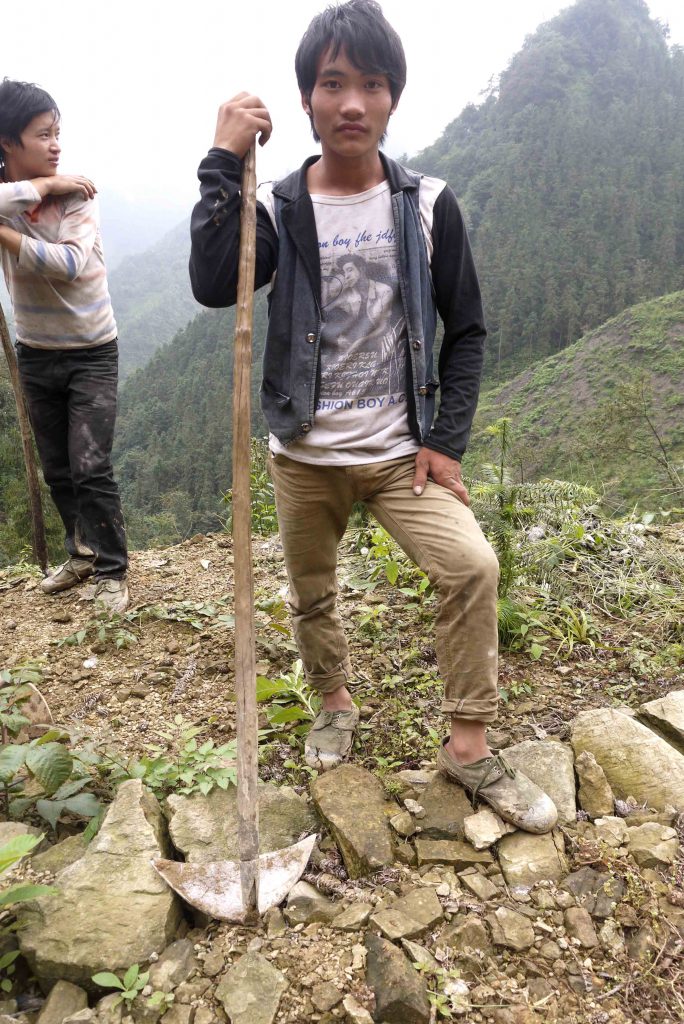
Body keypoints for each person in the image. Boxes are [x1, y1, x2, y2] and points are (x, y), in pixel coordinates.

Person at [189, 0, 557, 833]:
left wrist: (446, 443)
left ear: (393, 98)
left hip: (400, 454)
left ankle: (468, 747)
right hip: (304, 452)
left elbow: (466, 329)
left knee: (471, 567)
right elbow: (214, 283)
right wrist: (220, 159)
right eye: (333, 84)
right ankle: (333, 701)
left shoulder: (427, 204)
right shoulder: (279, 205)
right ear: (307, 99)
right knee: (312, 593)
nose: (352, 102)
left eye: (372, 84)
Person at [0, 79, 129, 614]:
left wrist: (6, 232)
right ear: (7, 143)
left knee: (90, 465)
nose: (56, 146)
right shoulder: (17, 193)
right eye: (43, 135)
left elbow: (70, 265)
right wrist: (37, 187)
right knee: (57, 466)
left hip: (91, 350)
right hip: (35, 350)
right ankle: (82, 554)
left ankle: (113, 570)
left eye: (58, 133)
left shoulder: (76, 194)